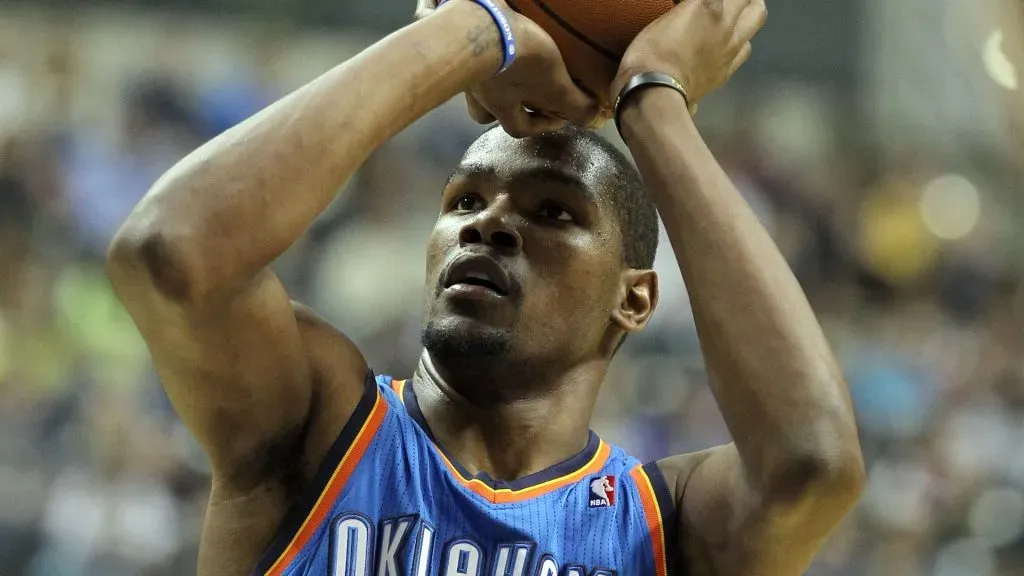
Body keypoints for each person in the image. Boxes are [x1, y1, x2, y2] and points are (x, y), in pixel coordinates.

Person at [107, 0, 864, 573]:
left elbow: (815, 461)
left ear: (633, 298)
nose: (488, 225)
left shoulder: (659, 525)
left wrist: (654, 101)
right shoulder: (319, 424)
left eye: (553, 212)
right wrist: (480, 29)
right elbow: (169, 251)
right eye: (464, 201)